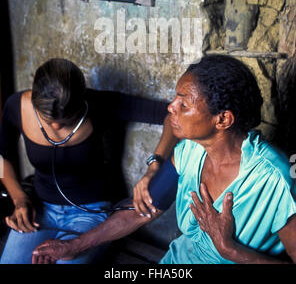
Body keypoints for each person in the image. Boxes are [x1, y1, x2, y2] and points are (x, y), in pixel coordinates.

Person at [32, 55, 296, 264]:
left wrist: (230, 250)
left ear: (223, 119)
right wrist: (73, 245)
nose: (170, 107)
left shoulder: (275, 179)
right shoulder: (190, 152)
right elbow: (140, 212)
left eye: (184, 105)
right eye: (174, 99)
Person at [0, 58, 176, 264]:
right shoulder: (16, 106)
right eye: (48, 120)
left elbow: (171, 114)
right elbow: (3, 157)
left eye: (66, 121)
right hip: (38, 211)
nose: (56, 127)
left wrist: (154, 165)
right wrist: (19, 199)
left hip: (89, 214)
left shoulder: (98, 104)